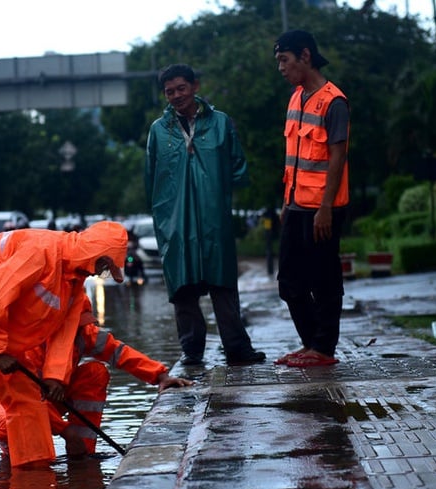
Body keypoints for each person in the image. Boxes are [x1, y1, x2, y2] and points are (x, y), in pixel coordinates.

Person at [0, 221, 132, 481]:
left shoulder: (74, 283)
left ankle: (35, 476)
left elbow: (62, 333)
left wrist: (54, 377)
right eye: (104, 265)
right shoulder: (41, 251)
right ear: (95, 253)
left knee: (27, 399)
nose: (101, 273)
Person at [144, 63, 265, 368]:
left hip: (214, 217)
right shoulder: (159, 131)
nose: (176, 96)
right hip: (174, 220)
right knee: (182, 290)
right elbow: (151, 178)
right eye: (169, 91)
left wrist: (214, 189)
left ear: (195, 86)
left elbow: (238, 166)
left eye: (181, 88)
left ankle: (238, 349)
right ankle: (191, 351)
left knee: (223, 285)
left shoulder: (220, 123)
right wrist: (165, 211)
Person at [0, 296, 192, 459]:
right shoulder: (32, 343)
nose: (82, 329)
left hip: (50, 398)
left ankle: (83, 453)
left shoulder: (83, 333)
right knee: (13, 421)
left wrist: (160, 376)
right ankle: (17, 460)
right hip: (7, 403)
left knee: (95, 373)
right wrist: (66, 431)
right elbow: (25, 396)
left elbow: (119, 352)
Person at [273, 30, 350, 368]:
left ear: (305, 56)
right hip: (294, 206)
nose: (280, 67)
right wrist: (285, 203)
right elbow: (295, 157)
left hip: (323, 208)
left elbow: (337, 158)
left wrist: (325, 209)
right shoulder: (296, 98)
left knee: (324, 279)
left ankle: (324, 349)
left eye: (284, 60)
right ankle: (311, 344)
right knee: (289, 281)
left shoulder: (334, 101)